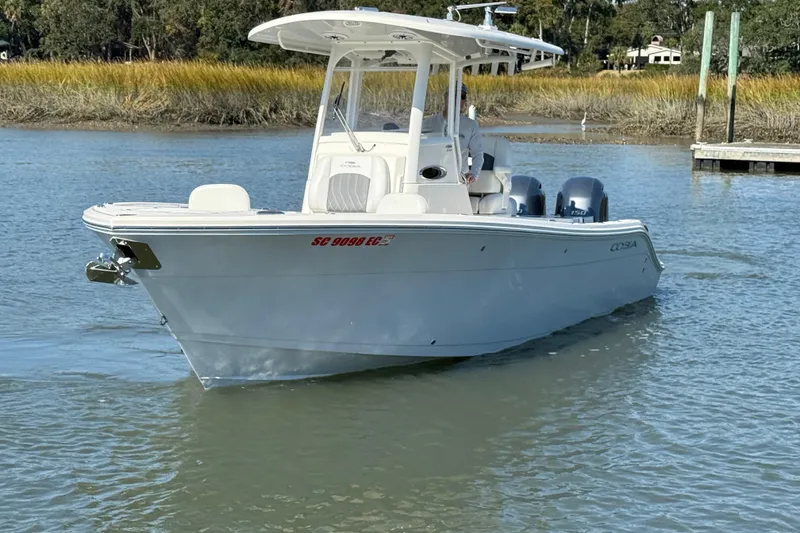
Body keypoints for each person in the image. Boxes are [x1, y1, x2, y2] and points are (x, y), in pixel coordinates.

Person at [422, 82, 484, 185]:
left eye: (461, 97)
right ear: (445, 97)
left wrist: (474, 174)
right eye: (453, 95)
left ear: (464, 101)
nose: (457, 100)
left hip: (459, 179)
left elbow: (478, 154)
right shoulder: (428, 123)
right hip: (431, 177)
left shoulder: (471, 125)